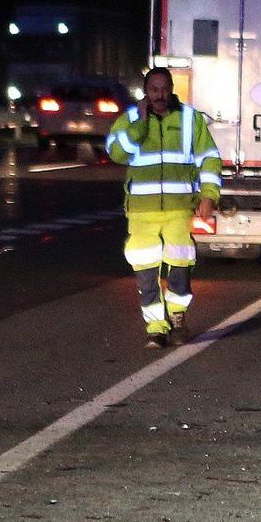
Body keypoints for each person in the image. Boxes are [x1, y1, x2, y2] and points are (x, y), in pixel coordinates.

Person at [104, 67, 221, 347]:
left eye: (164, 89)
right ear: (146, 92)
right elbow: (116, 153)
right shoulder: (131, 119)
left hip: (179, 208)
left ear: (171, 89)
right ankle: (156, 327)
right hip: (142, 212)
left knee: (180, 265)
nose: (160, 94)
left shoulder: (190, 119)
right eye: (154, 89)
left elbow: (210, 158)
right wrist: (140, 125)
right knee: (145, 270)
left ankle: (178, 317)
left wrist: (208, 196)